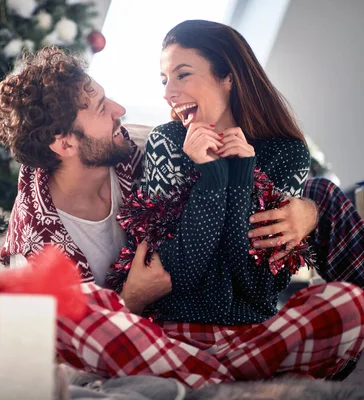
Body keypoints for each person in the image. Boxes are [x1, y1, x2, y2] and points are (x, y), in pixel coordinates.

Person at [0, 38, 364, 386]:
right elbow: (63, 357)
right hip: (146, 338)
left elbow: (257, 223)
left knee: (345, 298)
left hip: (209, 338)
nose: (119, 110)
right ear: (64, 143)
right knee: (73, 313)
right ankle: (234, 375)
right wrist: (130, 301)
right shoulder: (34, 248)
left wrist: (308, 212)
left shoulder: (136, 144)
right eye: (101, 108)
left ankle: (215, 375)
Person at [104, 19, 310, 326]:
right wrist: (212, 176)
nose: (168, 93)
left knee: (345, 306)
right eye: (164, 81)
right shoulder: (168, 142)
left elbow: (260, 287)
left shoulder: (287, 154)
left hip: (252, 330)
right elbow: (172, 273)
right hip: (174, 328)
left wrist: (242, 175)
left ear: (228, 75)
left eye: (182, 75)